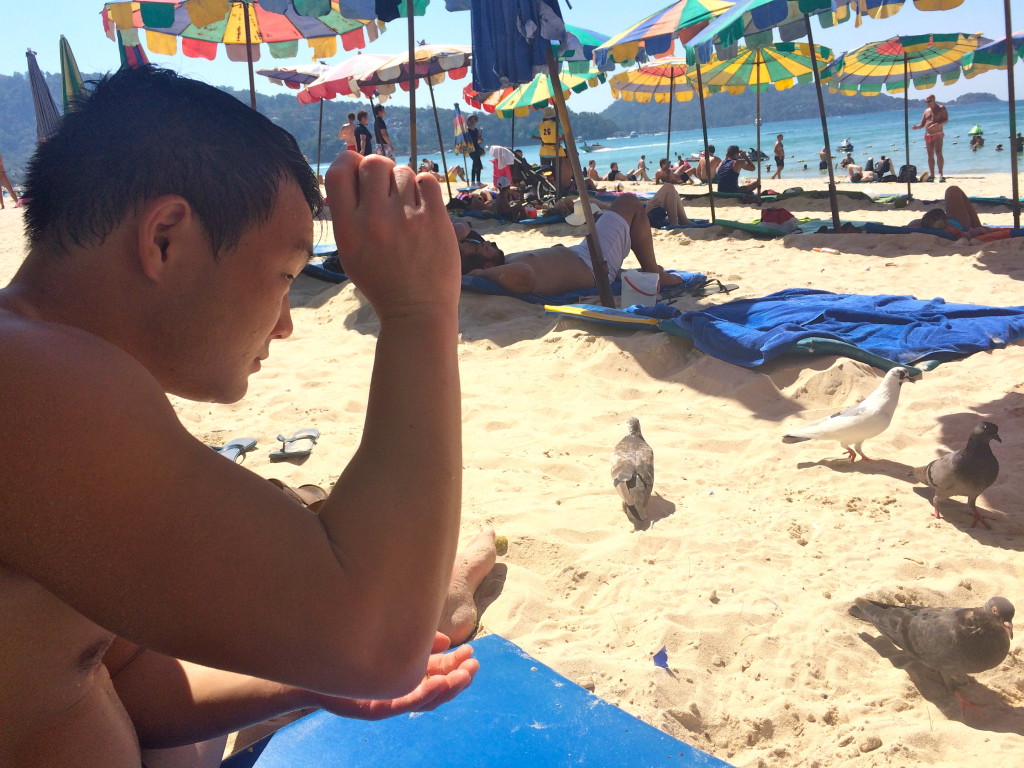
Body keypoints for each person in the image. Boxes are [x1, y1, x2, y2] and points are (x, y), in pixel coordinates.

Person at [1, 66, 483, 768]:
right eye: (286, 276)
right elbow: (377, 643)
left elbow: (122, 680)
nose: (285, 324)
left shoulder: (59, 380)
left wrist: (306, 677)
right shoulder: (29, 387)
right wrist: (420, 310)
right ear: (165, 237)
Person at [456, 194, 683, 295]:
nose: (488, 241)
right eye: (479, 247)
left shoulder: (501, 262)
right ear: (483, 267)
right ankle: (654, 273)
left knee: (609, 211)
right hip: (592, 264)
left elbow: (461, 228)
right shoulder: (500, 272)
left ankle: (646, 270)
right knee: (629, 202)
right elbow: (524, 276)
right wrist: (479, 275)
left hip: (584, 255)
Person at [910, 185, 993, 239]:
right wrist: (979, 230)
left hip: (941, 223)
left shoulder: (917, 225)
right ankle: (977, 225)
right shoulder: (950, 228)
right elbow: (968, 234)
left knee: (954, 191)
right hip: (960, 223)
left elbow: (902, 229)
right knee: (953, 190)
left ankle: (977, 226)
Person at [912, 93, 948, 182]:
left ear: (934, 100)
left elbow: (946, 120)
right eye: (926, 101)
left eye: (929, 101)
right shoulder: (926, 111)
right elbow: (922, 123)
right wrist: (916, 127)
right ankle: (932, 174)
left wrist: (937, 124)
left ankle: (940, 173)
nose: (927, 103)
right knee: (930, 155)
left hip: (938, 133)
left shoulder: (941, 108)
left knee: (938, 152)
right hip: (928, 135)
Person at [466, 115, 484, 186]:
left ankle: (474, 182)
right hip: (471, 149)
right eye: (472, 120)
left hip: (477, 148)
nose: (474, 121)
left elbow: (479, 140)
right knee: (478, 165)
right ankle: (477, 181)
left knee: (475, 165)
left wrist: (480, 139)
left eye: (475, 120)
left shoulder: (476, 130)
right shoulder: (467, 131)